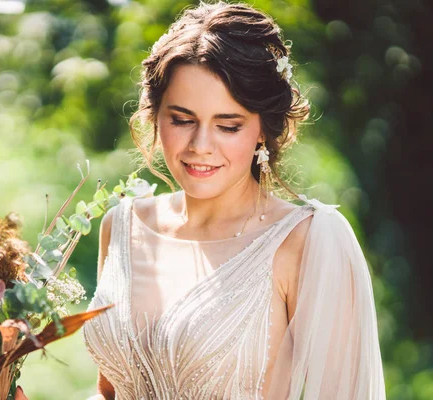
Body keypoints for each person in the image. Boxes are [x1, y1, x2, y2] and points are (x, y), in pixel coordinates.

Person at [82, 1, 386, 399]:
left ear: (263, 128)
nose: (201, 146)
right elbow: (109, 393)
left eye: (228, 125)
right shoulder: (122, 225)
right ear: (156, 115)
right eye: (182, 119)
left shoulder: (307, 242)